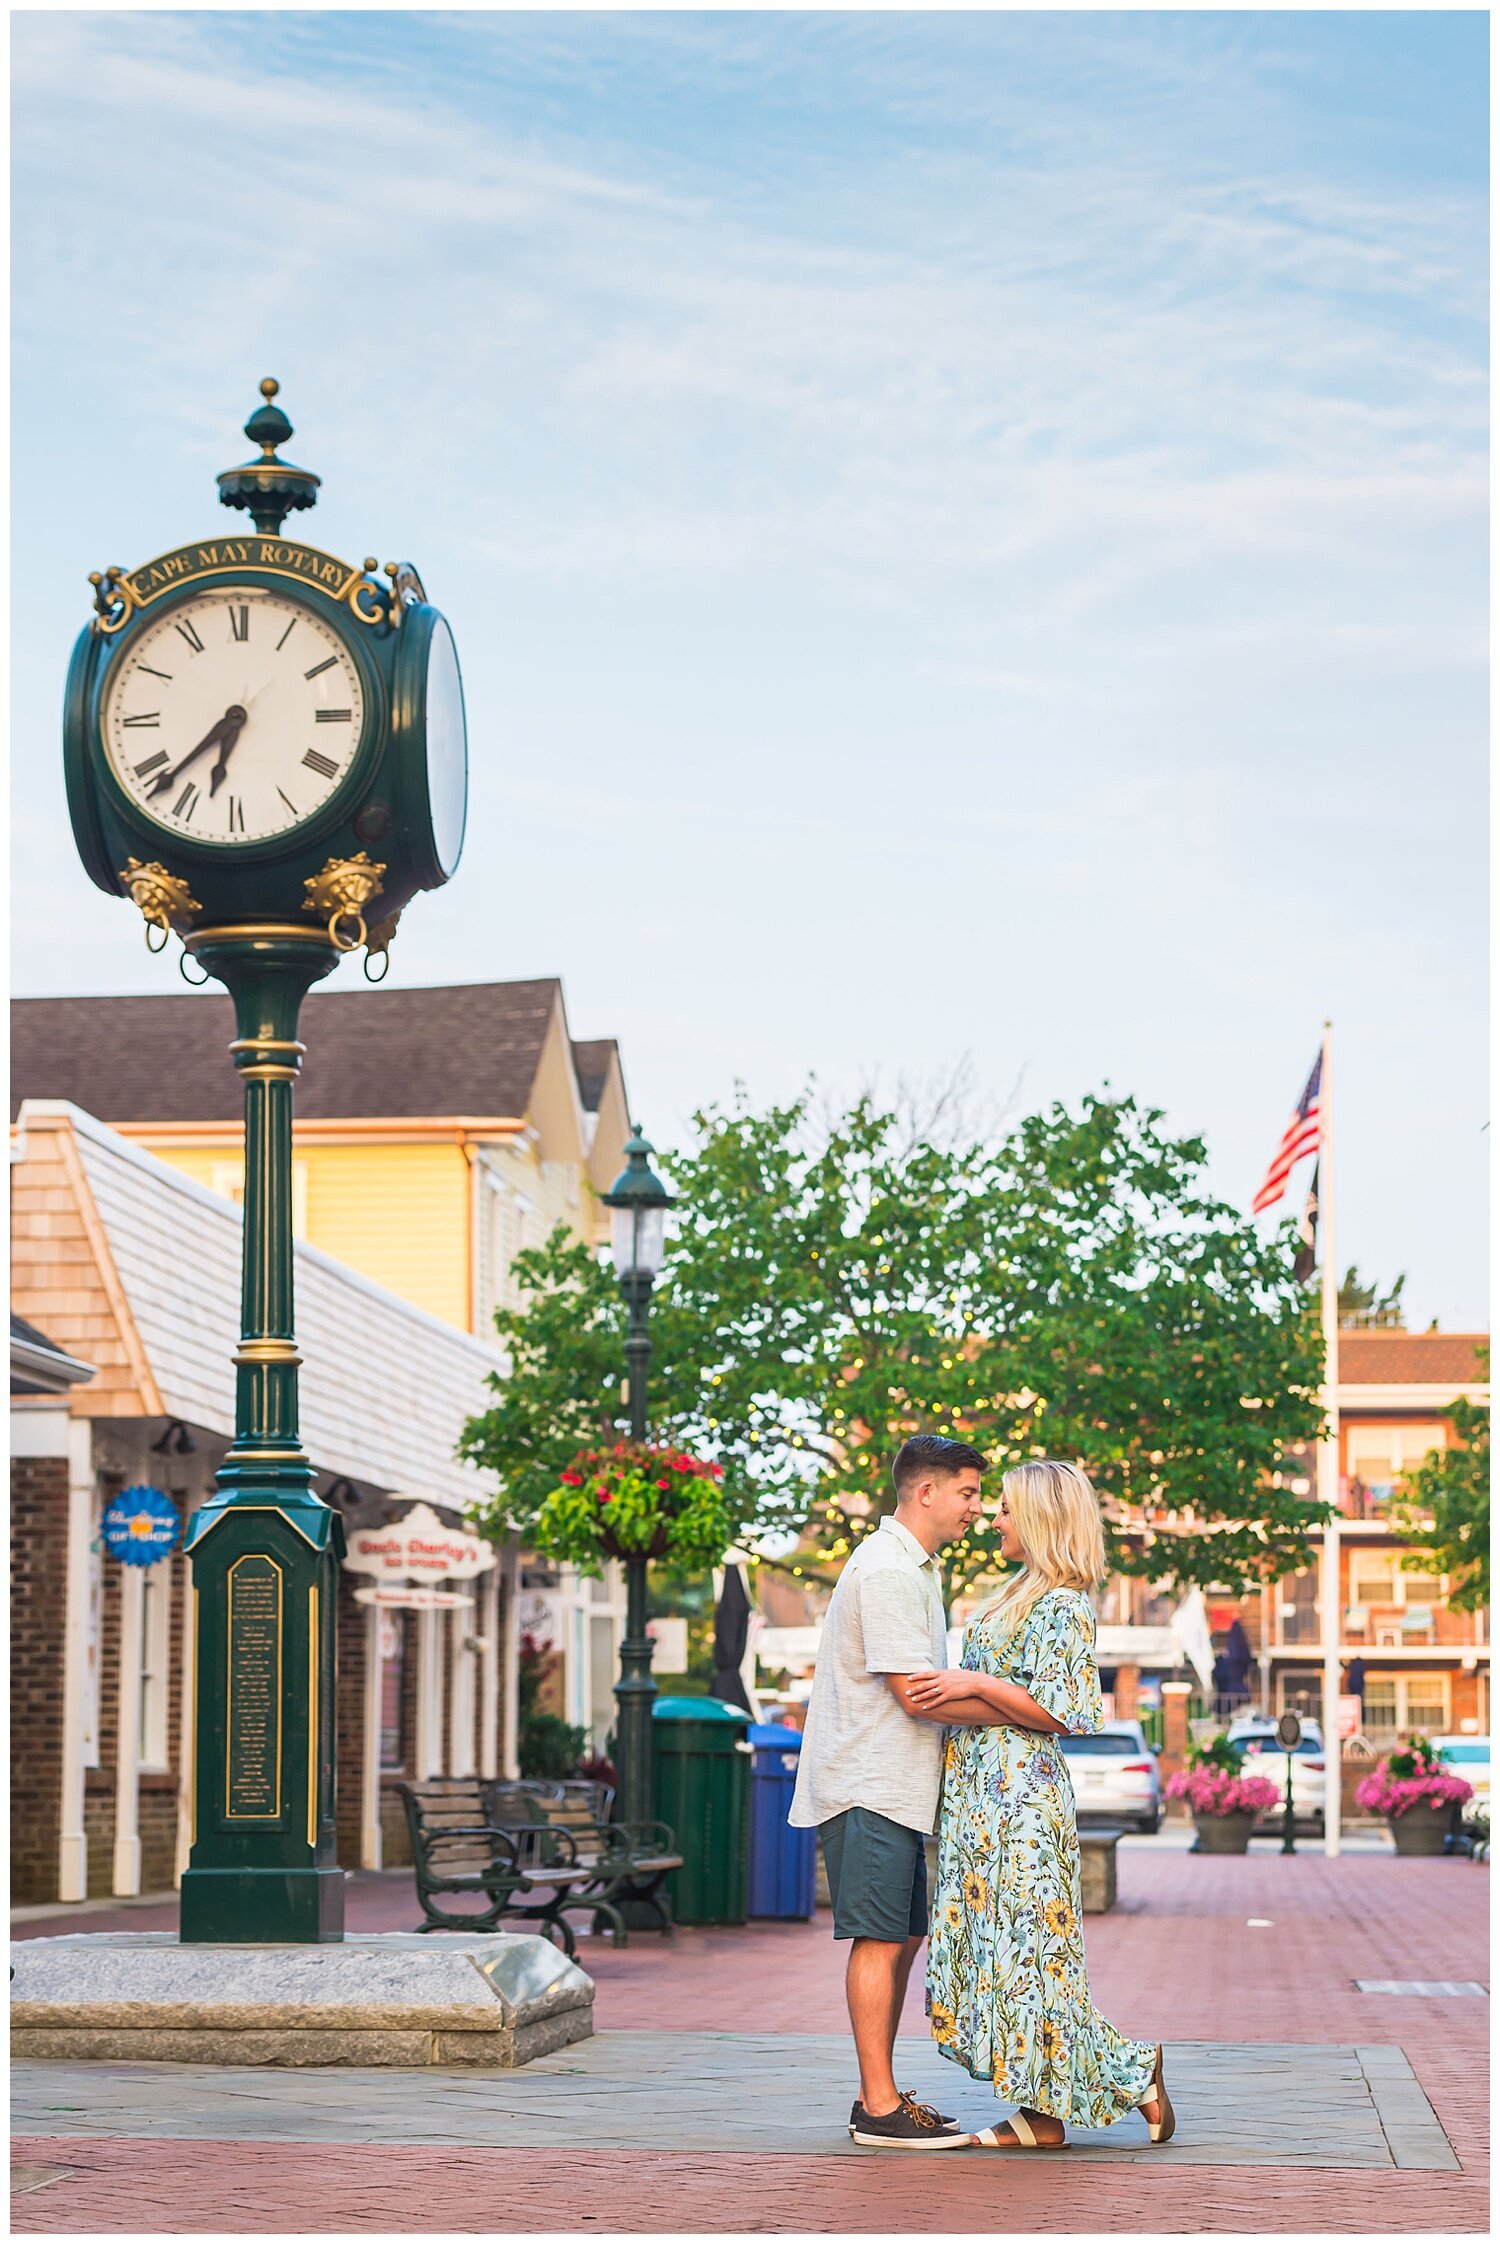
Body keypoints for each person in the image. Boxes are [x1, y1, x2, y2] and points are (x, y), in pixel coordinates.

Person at [909, 1459, 1175, 2152]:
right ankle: (1044, 2111)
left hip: (1022, 1801)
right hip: (983, 1798)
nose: (993, 1519)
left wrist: (972, 1681)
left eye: (1004, 1508)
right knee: (1004, 1954)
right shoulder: (1017, 1592)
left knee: (1032, 1956)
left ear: (1039, 1517)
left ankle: (1130, 2072)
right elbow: (997, 1699)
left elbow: (1061, 1711)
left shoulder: (1063, 1602)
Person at [788, 1432, 989, 2148]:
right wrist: (1018, 1708)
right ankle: (878, 2106)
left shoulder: (914, 1568)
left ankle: (881, 2093)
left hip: (895, 1787)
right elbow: (915, 1694)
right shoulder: (887, 1571)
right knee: (879, 1939)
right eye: (967, 1493)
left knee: (901, 1936)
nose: (976, 1507)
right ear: (926, 1491)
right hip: (869, 1785)